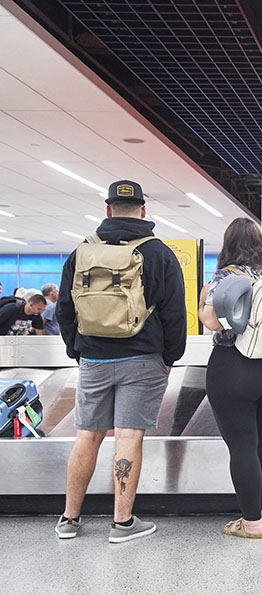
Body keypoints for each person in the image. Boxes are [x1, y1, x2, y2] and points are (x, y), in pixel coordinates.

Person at [55, 180, 186, 543]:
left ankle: (69, 519)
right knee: (128, 437)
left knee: (86, 436)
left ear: (108, 210)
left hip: (94, 359)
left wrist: (78, 350)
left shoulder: (81, 252)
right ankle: (122, 523)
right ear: (144, 211)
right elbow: (175, 313)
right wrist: (170, 358)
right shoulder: (159, 252)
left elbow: (65, 310)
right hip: (143, 358)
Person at [198, 218, 262, 539]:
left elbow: (213, 322)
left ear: (227, 244)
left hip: (235, 366)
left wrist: (203, 302)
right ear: (260, 243)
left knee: (241, 446)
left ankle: (250, 523)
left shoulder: (224, 276)